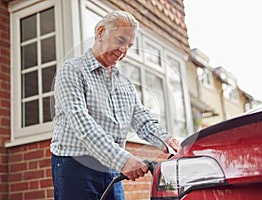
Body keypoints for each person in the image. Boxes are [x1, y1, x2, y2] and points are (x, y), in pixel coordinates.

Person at [50, 10, 179, 200]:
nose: (124, 51)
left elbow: (142, 119)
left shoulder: (125, 83)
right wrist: (124, 159)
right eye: (120, 41)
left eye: (129, 45)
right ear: (101, 32)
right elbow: (82, 123)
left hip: (111, 167)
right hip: (75, 167)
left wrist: (167, 141)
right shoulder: (72, 70)